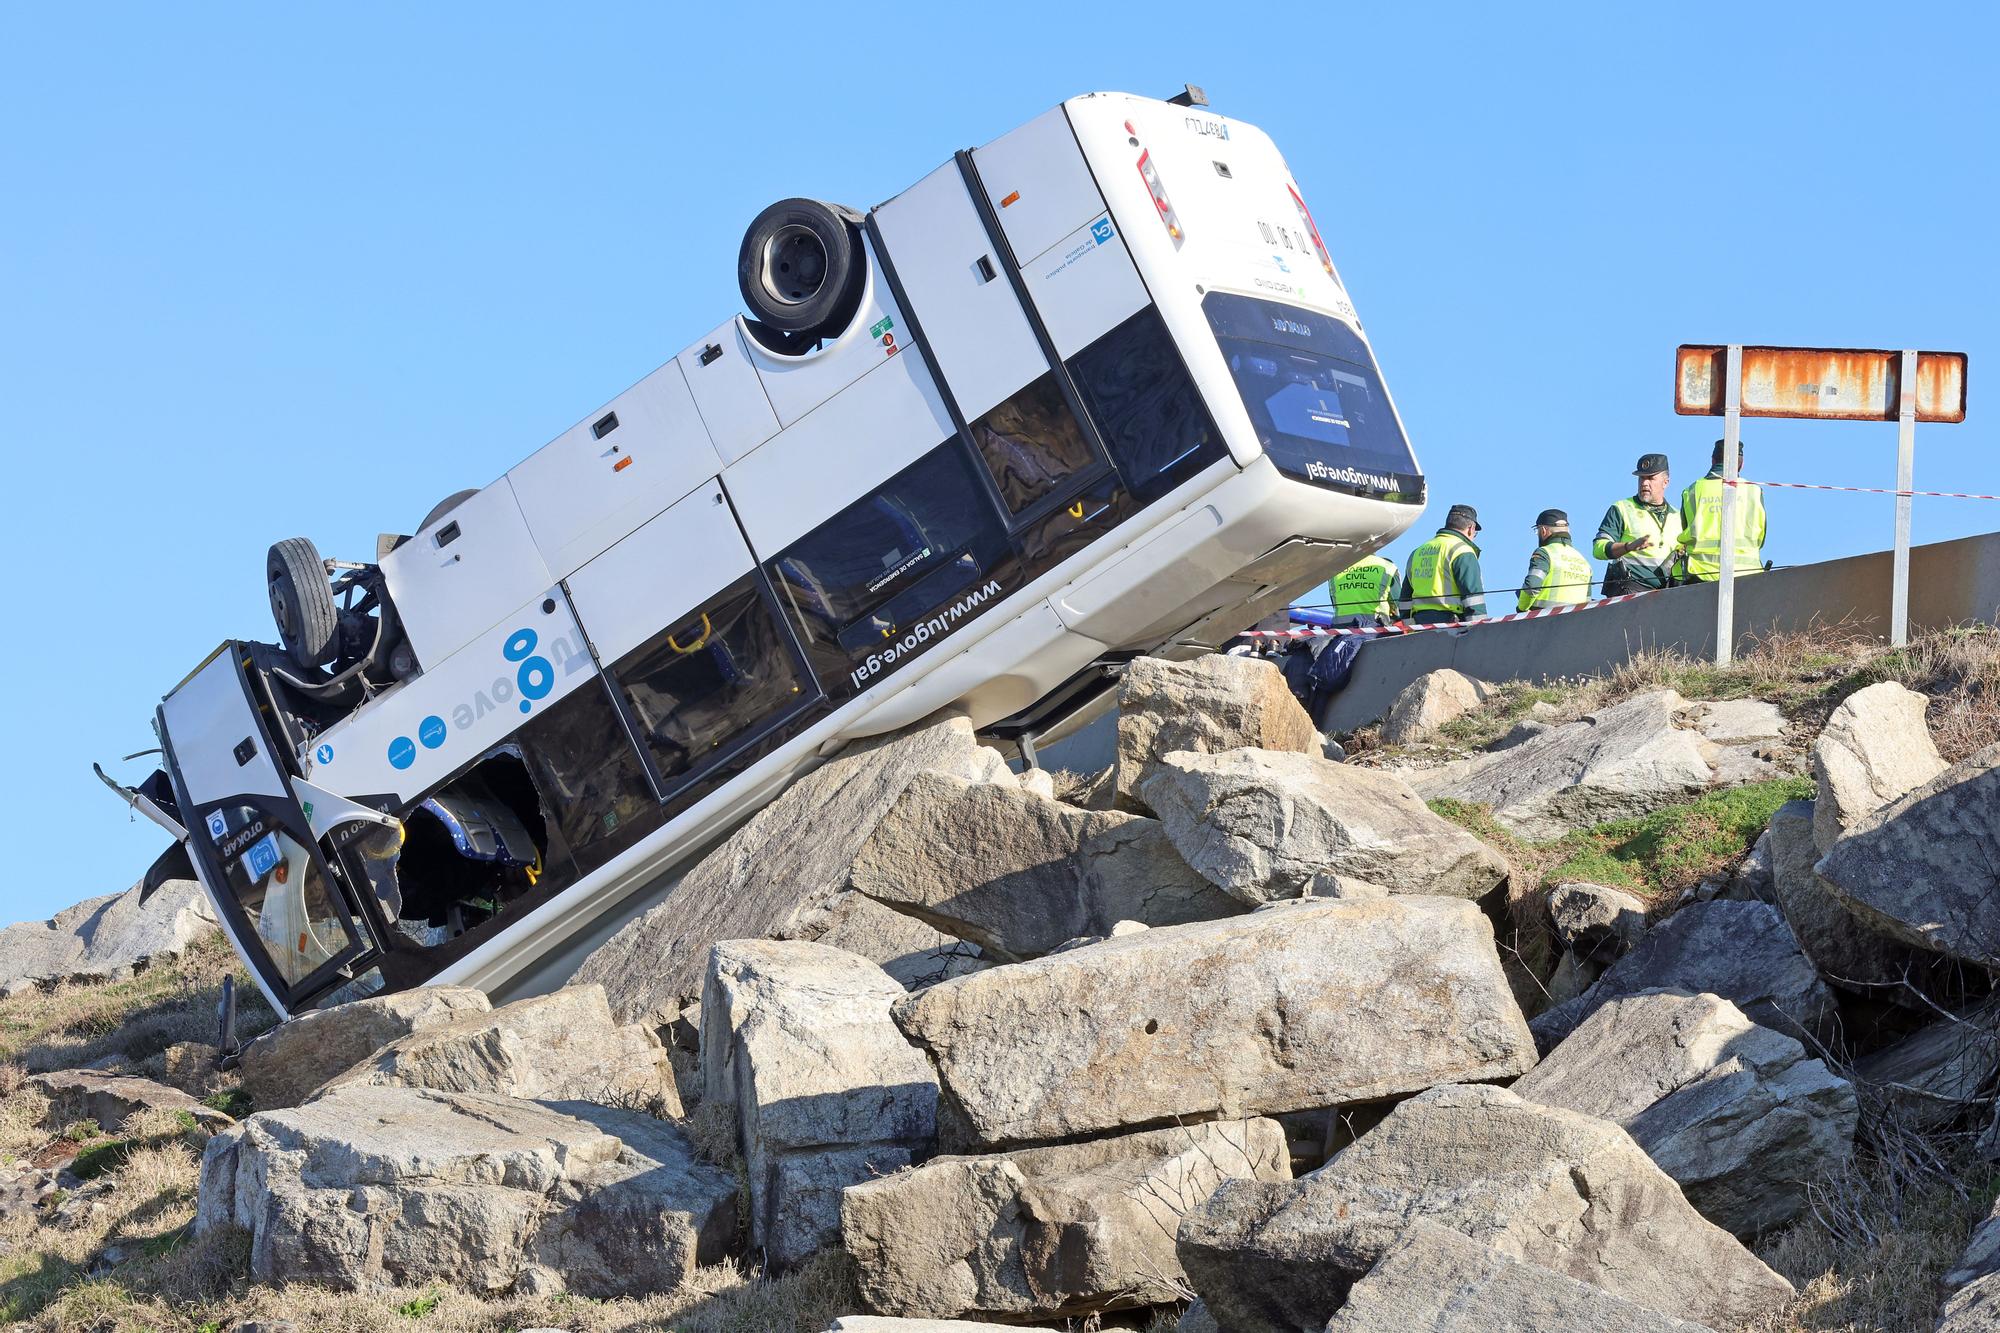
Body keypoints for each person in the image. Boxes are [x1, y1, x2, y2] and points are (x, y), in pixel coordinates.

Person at [1593, 452, 1684, 595]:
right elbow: (1598, 549)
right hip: (1629, 592)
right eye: (1641, 478)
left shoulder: (1678, 516)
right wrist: (1628, 547)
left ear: (1665, 482)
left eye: (1651, 478)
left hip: (1666, 596)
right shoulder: (1622, 508)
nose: (1644, 483)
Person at [1678, 439, 1767, 582]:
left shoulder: (1692, 491)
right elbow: (1761, 538)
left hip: (1701, 574)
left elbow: (1685, 528)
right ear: (1741, 464)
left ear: (1713, 460)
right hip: (1748, 576)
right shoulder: (1754, 491)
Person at [1398, 504, 1486, 624]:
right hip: (1450, 626)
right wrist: (1479, 631)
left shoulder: (1417, 552)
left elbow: (1405, 599)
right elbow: (1473, 598)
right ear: (1471, 528)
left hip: (1419, 626)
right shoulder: (1462, 551)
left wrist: (1410, 628)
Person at [1517, 509, 1594, 611]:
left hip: (1544, 621)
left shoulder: (1545, 553)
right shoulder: (1584, 561)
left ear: (1543, 530)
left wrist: (1521, 609)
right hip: (1577, 623)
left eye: (1537, 530)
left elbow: (1531, 587)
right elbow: (1587, 602)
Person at [1326, 551, 1400, 625]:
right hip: (1377, 628)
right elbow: (1398, 603)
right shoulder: (1387, 566)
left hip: (1342, 629)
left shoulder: (1335, 569)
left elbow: (1335, 601)